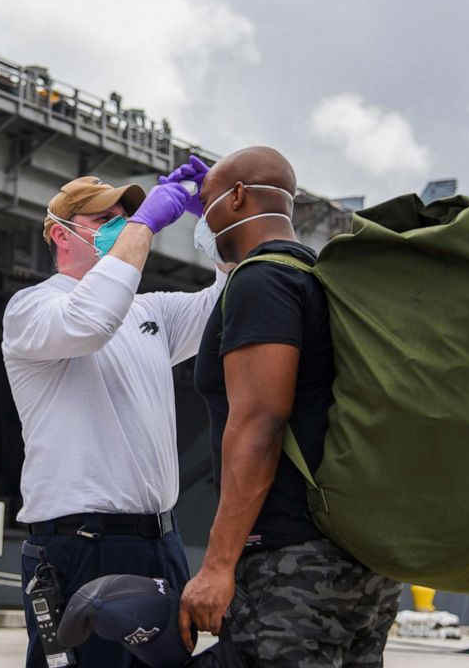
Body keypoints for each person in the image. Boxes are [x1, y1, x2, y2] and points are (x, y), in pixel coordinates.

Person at [178, 147, 401, 667]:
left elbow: (260, 423)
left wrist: (217, 565)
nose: (202, 218)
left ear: (237, 197)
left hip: (291, 563)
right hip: (360, 563)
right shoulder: (320, 279)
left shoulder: (262, 281)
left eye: (208, 201)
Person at [3, 163, 228, 668]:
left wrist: (217, 223)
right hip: (82, 546)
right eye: (106, 218)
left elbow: (228, 303)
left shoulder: (150, 313)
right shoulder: (33, 309)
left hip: (160, 542)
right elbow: (92, 320)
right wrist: (145, 226)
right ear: (62, 234)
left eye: (127, 215)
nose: (123, 224)